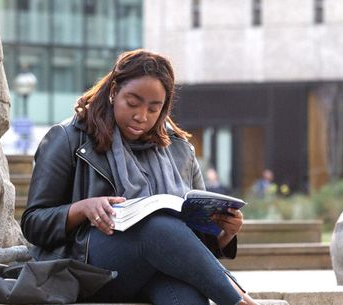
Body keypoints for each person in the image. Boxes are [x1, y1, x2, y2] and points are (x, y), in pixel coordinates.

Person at [21, 50, 257, 305]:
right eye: (132, 103)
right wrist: (82, 209)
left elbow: (188, 250)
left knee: (188, 296)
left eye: (153, 109)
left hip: (155, 267)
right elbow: (34, 223)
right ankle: (241, 300)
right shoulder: (69, 138)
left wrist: (224, 235)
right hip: (90, 268)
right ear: (113, 91)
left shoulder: (179, 149)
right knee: (157, 226)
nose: (141, 116)